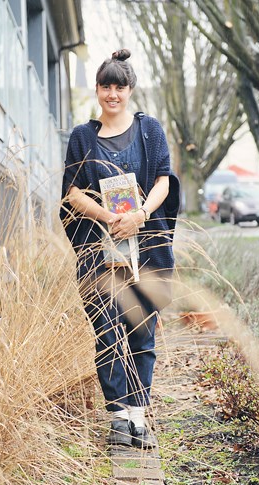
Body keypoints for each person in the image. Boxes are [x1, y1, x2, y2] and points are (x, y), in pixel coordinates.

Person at [60, 49, 179, 448]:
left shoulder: (150, 130)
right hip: (100, 251)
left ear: (130, 90)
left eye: (119, 87)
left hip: (144, 251)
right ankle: (118, 417)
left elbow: (164, 180)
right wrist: (107, 217)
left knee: (143, 334)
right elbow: (72, 193)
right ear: (97, 90)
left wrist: (140, 214)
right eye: (106, 86)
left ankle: (138, 417)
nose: (113, 94)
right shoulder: (82, 136)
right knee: (107, 334)